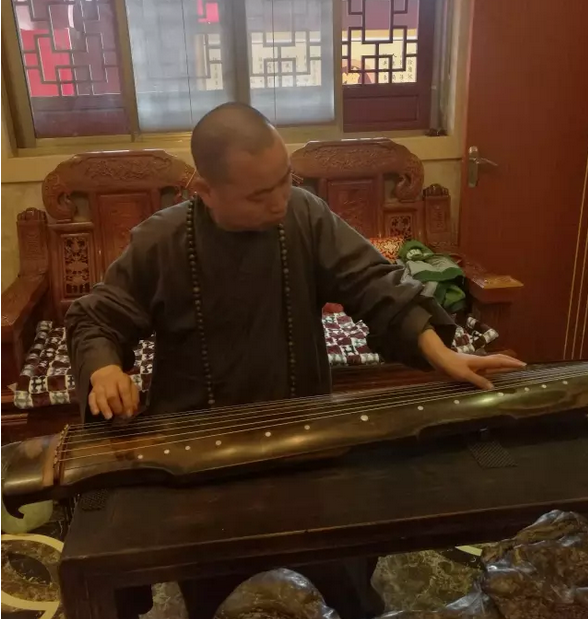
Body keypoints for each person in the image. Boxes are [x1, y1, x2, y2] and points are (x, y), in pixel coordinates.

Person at [65, 102, 524, 619]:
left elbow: (373, 282)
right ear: (204, 191)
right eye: (259, 194)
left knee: (341, 585)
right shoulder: (163, 240)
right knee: (224, 599)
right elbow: (96, 317)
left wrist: (440, 353)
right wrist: (104, 368)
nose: (280, 200)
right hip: (198, 458)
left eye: (285, 179)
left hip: (303, 441)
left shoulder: (304, 215)